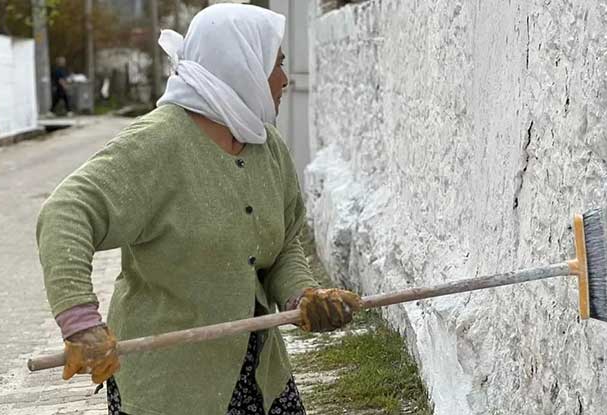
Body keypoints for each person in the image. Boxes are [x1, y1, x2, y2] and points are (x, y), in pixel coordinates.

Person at [36, 5, 362, 415]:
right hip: (171, 387)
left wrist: (303, 295)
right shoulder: (158, 144)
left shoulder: (267, 145)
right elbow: (66, 212)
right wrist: (80, 323)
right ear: (242, 66)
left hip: (259, 373)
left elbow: (282, 246)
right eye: (275, 65)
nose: (285, 79)